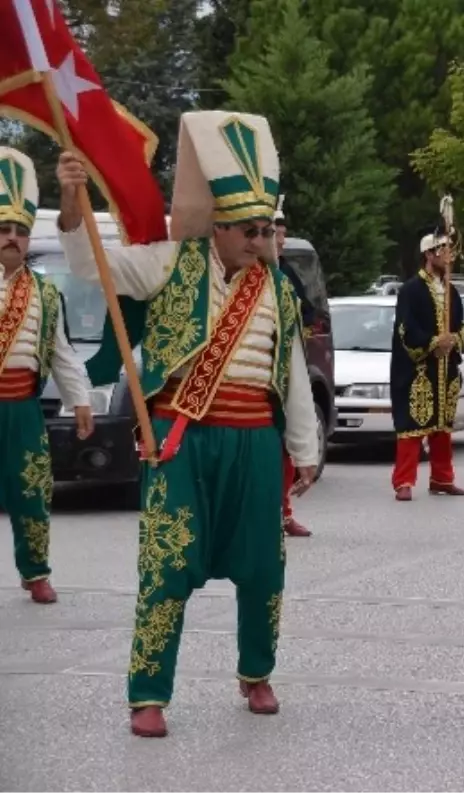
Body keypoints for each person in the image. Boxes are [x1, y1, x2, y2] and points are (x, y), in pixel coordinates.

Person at [56, 111, 321, 737]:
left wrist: (304, 449)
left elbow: (293, 373)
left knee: (263, 569)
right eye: (250, 230)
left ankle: (256, 673)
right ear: (219, 227)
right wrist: (72, 202)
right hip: (182, 439)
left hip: (256, 443)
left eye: (266, 230)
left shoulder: (278, 290)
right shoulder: (168, 263)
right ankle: (148, 695)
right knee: (166, 568)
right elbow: (91, 265)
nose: (261, 241)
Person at [0, 147, 93, 605]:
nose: (12, 238)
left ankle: (35, 571)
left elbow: (61, 353)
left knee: (31, 493)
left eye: (19, 230)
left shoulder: (45, 293)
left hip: (22, 410)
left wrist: (81, 400)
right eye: (4, 229)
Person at [390, 221, 464, 501]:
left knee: (442, 427)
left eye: (450, 250)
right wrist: (433, 343)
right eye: (443, 250)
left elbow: (460, 325)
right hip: (417, 368)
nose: (449, 256)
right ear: (429, 254)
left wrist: (454, 341)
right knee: (412, 427)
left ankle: (442, 478)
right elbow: (405, 328)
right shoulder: (410, 290)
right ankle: (404, 481)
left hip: (445, 367)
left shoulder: (452, 291)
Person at [272, 196, 312, 537]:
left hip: (284, 370)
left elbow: (308, 314)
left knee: (285, 448)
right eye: (275, 233)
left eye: (283, 234)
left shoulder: (285, 275)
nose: (281, 241)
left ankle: (283, 512)